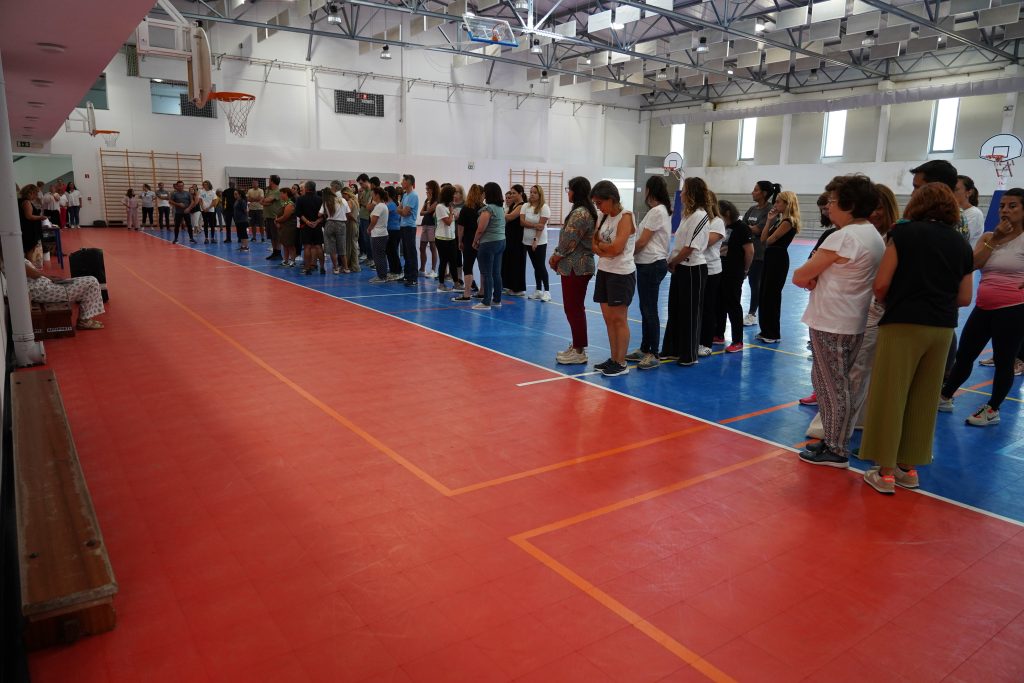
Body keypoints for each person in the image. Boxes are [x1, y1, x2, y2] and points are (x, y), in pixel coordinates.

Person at [858, 183, 974, 494]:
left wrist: (893, 299)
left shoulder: (904, 234)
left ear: (917, 205)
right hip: (942, 330)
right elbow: (965, 297)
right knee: (923, 398)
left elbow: (881, 284)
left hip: (903, 324)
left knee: (890, 395)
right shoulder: (962, 244)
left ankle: (884, 472)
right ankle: (908, 469)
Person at [793, 174, 886, 468]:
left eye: (832, 201)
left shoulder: (843, 236)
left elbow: (801, 275)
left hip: (832, 320)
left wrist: (814, 277)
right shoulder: (871, 233)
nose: (828, 207)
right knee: (839, 383)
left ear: (849, 204)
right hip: (851, 318)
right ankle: (835, 438)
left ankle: (836, 447)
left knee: (831, 385)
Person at [806, 184, 900, 439]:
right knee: (844, 378)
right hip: (855, 314)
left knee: (843, 380)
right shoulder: (866, 235)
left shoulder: (857, 236)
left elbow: (803, 275)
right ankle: (841, 431)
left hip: (850, 316)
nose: (875, 213)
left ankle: (836, 439)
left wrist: (815, 273)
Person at [940, 187, 1024, 427]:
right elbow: (972, 265)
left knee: (1004, 360)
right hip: (983, 306)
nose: (1005, 210)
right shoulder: (989, 237)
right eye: (1002, 206)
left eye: (1012, 206)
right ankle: (945, 397)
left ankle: (993, 409)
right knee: (965, 355)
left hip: (1014, 309)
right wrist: (995, 240)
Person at [662, 177, 712, 366]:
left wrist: (673, 261)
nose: (680, 193)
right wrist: (674, 261)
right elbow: (680, 243)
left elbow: (690, 247)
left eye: (684, 190)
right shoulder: (687, 215)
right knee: (675, 309)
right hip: (681, 267)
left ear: (692, 193)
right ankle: (673, 349)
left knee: (690, 312)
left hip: (693, 269)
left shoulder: (700, 215)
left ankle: (689, 355)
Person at [590, 181, 637, 377]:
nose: (597, 207)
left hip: (621, 273)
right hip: (605, 271)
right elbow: (593, 242)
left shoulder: (626, 217)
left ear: (611, 199)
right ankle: (613, 358)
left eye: (599, 203)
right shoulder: (602, 217)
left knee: (619, 319)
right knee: (609, 319)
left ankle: (621, 361)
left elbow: (617, 249)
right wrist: (604, 250)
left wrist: (603, 249)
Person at [626, 175, 672, 370]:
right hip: (648, 263)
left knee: (650, 309)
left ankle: (653, 352)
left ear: (649, 190)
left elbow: (643, 241)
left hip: (652, 264)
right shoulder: (657, 211)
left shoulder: (657, 212)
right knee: (646, 308)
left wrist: (625, 253)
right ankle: (645, 348)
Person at [551, 177, 597, 364]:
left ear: (576, 191)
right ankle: (578, 346)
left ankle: (579, 351)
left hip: (576, 267)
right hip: (576, 267)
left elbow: (568, 241)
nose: (567, 192)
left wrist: (555, 256)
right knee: (574, 308)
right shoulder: (583, 211)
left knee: (574, 308)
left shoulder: (580, 213)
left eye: (569, 189)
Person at [23, 247, 106, 330]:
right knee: (92, 282)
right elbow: (34, 274)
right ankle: (84, 321)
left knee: (88, 281)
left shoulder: (16, 259)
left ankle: (85, 319)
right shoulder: (16, 260)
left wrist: (49, 278)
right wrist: (49, 278)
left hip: (44, 287)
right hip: (43, 290)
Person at [756, 190, 800, 343]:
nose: (775, 204)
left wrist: (768, 234)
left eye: (778, 202)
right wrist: (769, 220)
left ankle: (773, 333)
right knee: (764, 294)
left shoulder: (788, 222)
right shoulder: (779, 221)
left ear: (787, 204)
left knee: (772, 295)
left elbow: (769, 240)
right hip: (770, 257)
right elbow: (763, 239)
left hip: (778, 259)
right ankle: (765, 329)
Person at [715, 199, 754, 354]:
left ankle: (738, 340)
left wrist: (745, 270)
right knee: (719, 303)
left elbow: (749, 252)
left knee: (733, 305)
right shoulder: (722, 227)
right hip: (720, 270)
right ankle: (719, 334)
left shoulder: (742, 228)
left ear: (728, 213)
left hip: (734, 271)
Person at [742, 181, 779, 326]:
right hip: (746, 252)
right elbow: (743, 226)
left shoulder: (770, 210)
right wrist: (750, 228)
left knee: (754, 283)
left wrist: (749, 228)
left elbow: (759, 230)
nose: (752, 192)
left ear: (764, 193)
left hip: (759, 253)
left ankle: (752, 313)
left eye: (756, 190)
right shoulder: (752, 209)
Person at [698, 192, 726, 357]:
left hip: (711, 270)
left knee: (708, 307)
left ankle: (706, 342)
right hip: (698, 268)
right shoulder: (700, 220)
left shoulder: (717, 222)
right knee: (698, 307)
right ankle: (695, 339)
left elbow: (703, 243)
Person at [471, 182, 506, 310]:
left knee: (487, 273)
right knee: (496, 273)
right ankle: (497, 300)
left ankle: (486, 302)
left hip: (489, 243)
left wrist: (475, 241)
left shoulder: (488, 209)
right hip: (501, 241)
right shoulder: (500, 209)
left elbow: (481, 229)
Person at [521, 185, 552, 301]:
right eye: (531, 192)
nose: (532, 194)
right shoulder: (525, 206)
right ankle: (538, 290)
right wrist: (534, 225)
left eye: (535, 193)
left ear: (540, 195)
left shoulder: (544, 207)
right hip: (526, 241)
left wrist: (536, 240)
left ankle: (547, 291)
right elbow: (522, 222)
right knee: (535, 266)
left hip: (539, 242)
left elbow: (541, 226)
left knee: (540, 266)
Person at [453, 184, 483, 302]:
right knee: (483, 267)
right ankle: (482, 291)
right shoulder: (484, 208)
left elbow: (461, 227)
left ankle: (467, 294)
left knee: (468, 266)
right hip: (482, 239)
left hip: (469, 240)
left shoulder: (466, 208)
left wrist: (460, 241)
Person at [502, 185, 527, 296]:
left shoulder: (522, 205)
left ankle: (518, 288)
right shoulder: (512, 205)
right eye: (511, 193)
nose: (511, 195)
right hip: (509, 236)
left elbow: (510, 217)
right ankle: (510, 285)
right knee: (509, 261)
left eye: (514, 193)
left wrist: (497, 213)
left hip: (517, 238)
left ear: (520, 193)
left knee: (516, 262)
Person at [434, 185, 459, 292]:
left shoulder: (449, 207)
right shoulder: (440, 207)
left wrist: (452, 213)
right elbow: (448, 222)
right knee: (444, 261)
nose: (455, 195)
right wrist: (452, 213)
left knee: (453, 261)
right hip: (442, 238)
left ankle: (456, 283)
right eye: (454, 193)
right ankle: (441, 284)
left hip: (451, 238)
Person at [397, 175, 420, 287]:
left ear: (409, 183)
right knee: (406, 252)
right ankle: (407, 275)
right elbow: (400, 209)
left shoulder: (413, 196)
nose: (402, 183)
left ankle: (414, 277)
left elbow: (404, 212)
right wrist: (402, 211)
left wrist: (402, 211)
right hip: (403, 225)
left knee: (411, 252)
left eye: (403, 181)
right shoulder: (405, 195)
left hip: (410, 227)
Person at [320, 187, 349, 274]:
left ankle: (336, 268)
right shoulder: (342, 200)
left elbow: (319, 214)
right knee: (342, 247)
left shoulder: (326, 202)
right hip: (341, 224)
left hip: (329, 224)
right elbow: (348, 213)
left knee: (332, 249)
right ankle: (346, 268)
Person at [955, 175, 985, 248]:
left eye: (956, 189)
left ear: (969, 192)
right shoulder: (952, 212)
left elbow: (958, 238)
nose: (951, 192)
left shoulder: (974, 213)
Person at [368, 187, 391, 283]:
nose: (372, 196)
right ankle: (382, 275)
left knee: (378, 256)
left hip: (378, 234)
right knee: (380, 255)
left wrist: (369, 229)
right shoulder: (382, 205)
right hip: (381, 234)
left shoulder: (379, 206)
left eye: (373, 194)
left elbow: (374, 220)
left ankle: (381, 276)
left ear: (377, 195)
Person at [419, 180, 440, 279]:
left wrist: (428, 202)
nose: (426, 190)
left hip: (432, 225)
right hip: (425, 224)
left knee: (432, 247)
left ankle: (433, 270)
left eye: (428, 188)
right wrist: (427, 207)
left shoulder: (437, 199)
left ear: (433, 189)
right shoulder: (427, 200)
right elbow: (421, 213)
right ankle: (422, 269)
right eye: (426, 188)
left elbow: (430, 210)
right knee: (422, 247)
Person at [274, 188, 298, 267]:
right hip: (283, 226)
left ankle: (293, 260)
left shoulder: (290, 204)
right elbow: (279, 214)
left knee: (290, 244)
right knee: (284, 244)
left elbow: (285, 216)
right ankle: (286, 260)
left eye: (281, 193)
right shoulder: (283, 203)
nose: (280, 195)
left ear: (286, 194)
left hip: (289, 226)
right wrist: (277, 220)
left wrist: (277, 220)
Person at [19, 185, 46, 254]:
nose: (36, 196)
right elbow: (29, 216)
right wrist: (41, 217)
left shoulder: (21, 201)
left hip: (27, 229)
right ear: (30, 193)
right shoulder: (26, 202)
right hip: (29, 231)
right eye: (35, 194)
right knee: (30, 251)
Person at [261, 176, 283, 261]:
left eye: (269, 180)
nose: (268, 182)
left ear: (272, 182)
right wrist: (265, 202)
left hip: (275, 217)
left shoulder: (277, 191)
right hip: (268, 217)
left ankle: (278, 252)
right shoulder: (268, 191)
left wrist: (265, 201)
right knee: (272, 237)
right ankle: (274, 252)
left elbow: (266, 200)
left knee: (277, 236)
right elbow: (262, 201)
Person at [341, 187, 361, 273]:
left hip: (350, 224)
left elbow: (348, 214)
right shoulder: (355, 201)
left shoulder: (349, 202)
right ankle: (355, 265)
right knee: (353, 245)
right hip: (354, 224)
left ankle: (348, 265)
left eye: (343, 195)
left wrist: (353, 219)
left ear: (346, 194)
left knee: (349, 245)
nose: (342, 197)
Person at [357, 174, 373, 265]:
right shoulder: (364, 191)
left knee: (368, 239)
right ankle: (368, 256)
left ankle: (371, 258)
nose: (361, 186)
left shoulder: (371, 192)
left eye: (361, 183)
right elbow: (361, 203)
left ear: (367, 181)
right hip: (362, 217)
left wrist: (362, 203)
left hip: (367, 218)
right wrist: (359, 194)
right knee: (363, 238)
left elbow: (368, 206)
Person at [247, 180, 266, 246]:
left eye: (255, 183)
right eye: (253, 183)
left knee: (261, 224)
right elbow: (248, 199)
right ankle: (254, 237)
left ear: (258, 184)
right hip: (252, 209)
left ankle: (262, 237)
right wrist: (256, 199)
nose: (254, 184)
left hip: (259, 209)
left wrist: (253, 199)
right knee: (253, 224)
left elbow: (261, 198)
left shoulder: (261, 190)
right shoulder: (250, 190)